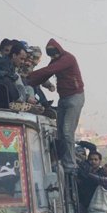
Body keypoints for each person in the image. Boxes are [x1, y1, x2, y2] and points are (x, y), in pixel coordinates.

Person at [27, 39, 84, 172]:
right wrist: (30, 81)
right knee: (60, 133)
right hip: (64, 98)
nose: (53, 57)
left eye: (54, 54)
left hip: (74, 97)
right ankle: (61, 160)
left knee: (67, 132)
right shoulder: (57, 59)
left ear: (58, 51)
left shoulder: (67, 59)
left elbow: (50, 70)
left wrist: (30, 76)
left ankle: (70, 165)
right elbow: (46, 74)